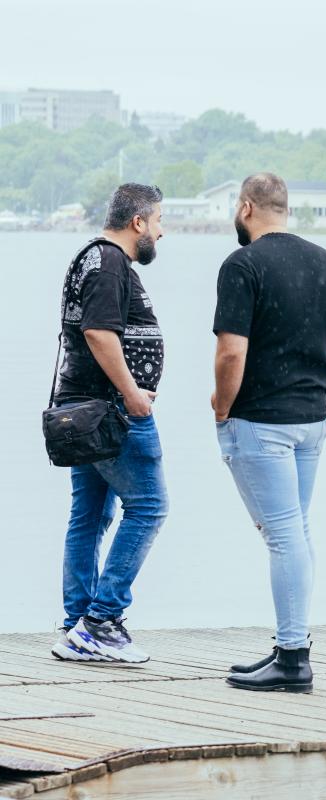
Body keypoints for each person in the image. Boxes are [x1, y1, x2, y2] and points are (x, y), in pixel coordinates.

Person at [213, 173, 326, 694]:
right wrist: (314, 380)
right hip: (310, 421)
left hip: (261, 422)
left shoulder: (243, 264)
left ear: (247, 206)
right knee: (294, 534)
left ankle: (294, 659)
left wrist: (222, 407)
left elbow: (232, 350)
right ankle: (288, 646)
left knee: (283, 537)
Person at [50, 183, 168, 665]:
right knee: (149, 507)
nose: (162, 232)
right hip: (110, 413)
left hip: (84, 409)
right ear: (138, 222)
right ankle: (100, 623)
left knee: (90, 516)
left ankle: (78, 622)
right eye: (159, 221)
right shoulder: (111, 262)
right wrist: (132, 394)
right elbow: (99, 332)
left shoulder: (90, 258)